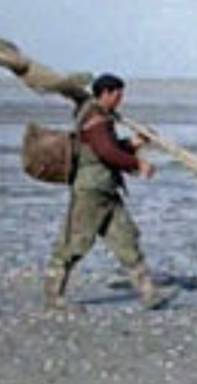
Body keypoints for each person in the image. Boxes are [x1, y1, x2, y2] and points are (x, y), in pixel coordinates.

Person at [45, 73, 172, 312]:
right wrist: (138, 165)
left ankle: (149, 294)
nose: (120, 100)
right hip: (91, 191)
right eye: (117, 95)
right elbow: (106, 153)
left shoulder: (102, 118)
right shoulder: (94, 118)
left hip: (107, 189)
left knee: (126, 239)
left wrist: (135, 143)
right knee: (74, 243)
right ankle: (54, 297)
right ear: (105, 94)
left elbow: (111, 148)